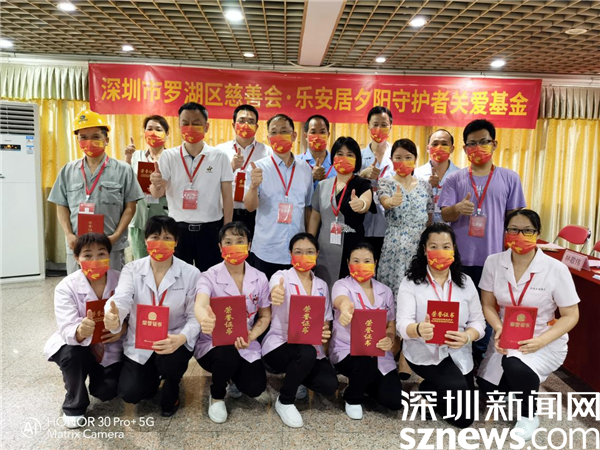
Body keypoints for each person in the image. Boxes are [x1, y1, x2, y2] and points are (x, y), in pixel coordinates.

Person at [477, 209, 580, 441]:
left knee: (515, 365)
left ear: (538, 233)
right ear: (506, 232)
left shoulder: (556, 269)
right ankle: (521, 384)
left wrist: (541, 341)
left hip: (544, 338)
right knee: (489, 390)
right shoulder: (493, 262)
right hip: (504, 336)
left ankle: (528, 415)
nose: (520, 236)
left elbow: (571, 315)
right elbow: (488, 305)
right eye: (513, 230)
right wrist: (499, 328)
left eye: (527, 231)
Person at [439, 119, 526, 363]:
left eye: (484, 142)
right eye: (472, 143)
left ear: (494, 144)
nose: (478, 147)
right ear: (465, 148)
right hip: (458, 257)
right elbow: (445, 215)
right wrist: (457, 208)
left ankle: (482, 356)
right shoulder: (454, 179)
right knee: (458, 306)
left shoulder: (509, 178)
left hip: (494, 257)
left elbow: (515, 219)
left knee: (488, 307)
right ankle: (455, 353)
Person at [103, 216, 201, 417]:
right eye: (155, 237)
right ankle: (152, 377)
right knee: (131, 393)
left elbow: (195, 316)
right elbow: (121, 299)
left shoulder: (191, 273)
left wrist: (181, 338)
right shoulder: (132, 269)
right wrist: (113, 315)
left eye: (167, 237)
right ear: (145, 240)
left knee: (171, 363)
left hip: (173, 337)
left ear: (176, 242)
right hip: (141, 341)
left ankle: (172, 383)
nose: (160, 242)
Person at [397, 223, 485, 428]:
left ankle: (427, 389)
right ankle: (432, 387)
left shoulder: (466, 282)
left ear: (454, 249)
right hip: (425, 352)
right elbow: (402, 323)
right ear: (424, 250)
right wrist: (417, 329)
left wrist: (468, 336)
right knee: (463, 419)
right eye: (433, 246)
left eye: (446, 246)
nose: (440, 252)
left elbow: (478, 322)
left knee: (467, 413)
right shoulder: (411, 283)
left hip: (459, 353)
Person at [44, 232, 126, 428]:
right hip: (77, 346)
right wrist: (80, 331)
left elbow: (134, 314)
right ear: (76, 258)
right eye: (88, 255)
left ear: (109, 255)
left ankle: (97, 375)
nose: (95, 260)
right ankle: (74, 404)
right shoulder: (66, 287)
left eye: (101, 254)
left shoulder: (122, 281)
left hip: (110, 346)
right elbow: (66, 327)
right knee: (73, 355)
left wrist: (123, 328)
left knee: (107, 391)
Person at [48, 109, 144, 274]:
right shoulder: (68, 170)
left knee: (112, 286)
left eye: (95, 137)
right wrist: (69, 234)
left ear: (106, 140)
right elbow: (61, 205)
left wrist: (115, 236)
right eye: (83, 137)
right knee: (77, 286)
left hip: (110, 245)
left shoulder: (123, 170)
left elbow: (130, 207)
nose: (89, 142)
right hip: (77, 245)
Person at [194, 221, 271, 423]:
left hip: (245, 341)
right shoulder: (208, 276)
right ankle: (217, 396)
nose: (234, 246)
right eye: (228, 242)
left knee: (255, 388)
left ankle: (232, 376)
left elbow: (265, 316)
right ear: (220, 247)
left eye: (240, 241)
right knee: (226, 354)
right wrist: (204, 318)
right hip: (214, 344)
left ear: (249, 245)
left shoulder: (260, 278)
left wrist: (252, 335)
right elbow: (200, 303)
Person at [261, 233, 338, 428]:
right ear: (290, 254)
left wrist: (324, 333)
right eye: (298, 252)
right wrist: (276, 292)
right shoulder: (282, 277)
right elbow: (275, 286)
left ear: (317, 254)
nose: (304, 256)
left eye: (309, 252)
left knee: (329, 384)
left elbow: (325, 321)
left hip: (310, 347)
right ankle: (285, 401)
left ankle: (297, 378)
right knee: (306, 352)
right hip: (280, 344)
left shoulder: (321, 286)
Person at [149, 102, 234, 271]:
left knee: (210, 277)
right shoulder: (168, 156)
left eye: (196, 123)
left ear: (206, 127)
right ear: (179, 126)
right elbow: (157, 193)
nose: (190, 127)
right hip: (177, 230)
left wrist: (227, 230)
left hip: (210, 229)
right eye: (185, 123)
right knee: (179, 277)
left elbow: (227, 196)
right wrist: (156, 184)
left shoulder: (219, 156)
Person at [330, 242, 403, 419]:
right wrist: (345, 309)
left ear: (375, 263)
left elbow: (390, 325)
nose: (361, 265)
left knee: (393, 401)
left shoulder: (385, 291)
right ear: (348, 263)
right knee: (364, 363)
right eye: (356, 261)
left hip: (378, 353)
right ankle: (352, 398)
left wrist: (389, 338)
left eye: (367, 261)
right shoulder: (342, 285)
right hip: (347, 349)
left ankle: (363, 382)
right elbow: (341, 300)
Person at [244, 114, 314, 279]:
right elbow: (250, 207)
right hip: (266, 250)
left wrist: (309, 242)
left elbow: (307, 208)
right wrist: (253, 186)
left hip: (296, 250)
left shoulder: (305, 169)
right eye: (274, 132)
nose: (279, 136)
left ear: (294, 135)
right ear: (268, 138)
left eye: (284, 131)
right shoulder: (257, 168)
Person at [307, 136, 375, 289]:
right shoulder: (323, 185)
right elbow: (315, 217)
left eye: (350, 154)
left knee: (348, 292)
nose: (344, 158)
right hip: (325, 249)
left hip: (352, 249)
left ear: (357, 160)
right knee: (324, 288)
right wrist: (310, 243)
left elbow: (366, 202)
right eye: (340, 154)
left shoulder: (362, 184)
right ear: (333, 158)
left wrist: (360, 204)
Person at [378, 138, 433, 296]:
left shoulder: (425, 186)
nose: (403, 161)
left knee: (420, 290)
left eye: (408, 157)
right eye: (398, 157)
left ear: (415, 159)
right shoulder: (385, 183)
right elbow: (385, 201)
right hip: (395, 246)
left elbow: (429, 217)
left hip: (420, 245)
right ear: (391, 160)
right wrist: (391, 201)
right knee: (394, 289)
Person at [216, 104, 272, 236]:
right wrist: (230, 168)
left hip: (255, 214)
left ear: (257, 127)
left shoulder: (267, 153)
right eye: (241, 121)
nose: (246, 125)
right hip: (225, 212)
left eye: (251, 121)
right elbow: (210, 183)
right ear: (233, 125)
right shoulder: (220, 151)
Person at [126, 115, 170, 260]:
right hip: (139, 218)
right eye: (149, 129)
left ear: (167, 134)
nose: (153, 132)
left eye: (158, 129)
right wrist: (128, 158)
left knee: (163, 259)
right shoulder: (136, 156)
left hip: (164, 217)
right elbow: (126, 182)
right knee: (140, 260)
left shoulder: (172, 157)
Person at [359, 106, 395, 265]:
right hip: (363, 225)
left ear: (391, 127)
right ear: (368, 126)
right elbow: (346, 187)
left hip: (389, 226)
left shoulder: (397, 156)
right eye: (375, 124)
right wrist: (361, 176)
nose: (379, 129)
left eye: (384, 125)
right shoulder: (359, 157)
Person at [414, 129, 461, 223]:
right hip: (424, 227)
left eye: (444, 144)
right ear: (428, 148)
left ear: (452, 149)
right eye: (435, 144)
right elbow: (411, 204)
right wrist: (426, 187)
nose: (439, 147)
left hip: (451, 228)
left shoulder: (460, 176)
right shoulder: (417, 174)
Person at [296, 114, 336, 188]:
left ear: (328, 135)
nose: (317, 137)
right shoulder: (295, 162)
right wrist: (311, 177)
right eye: (313, 132)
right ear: (305, 136)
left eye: (322, 132)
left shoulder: (337, 163)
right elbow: (290, 189)